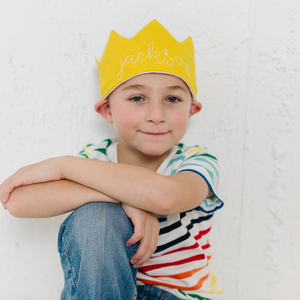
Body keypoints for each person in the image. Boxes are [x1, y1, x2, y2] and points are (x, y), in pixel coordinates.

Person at [0, 20, 224, 300]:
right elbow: (17, 201)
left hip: (173, 295)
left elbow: (165, 196)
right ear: (107, 110)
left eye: (173, 99)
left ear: (192, 110)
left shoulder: (196, 160)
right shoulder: (95, 158)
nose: (156, 114)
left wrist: (62, 166)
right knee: (96, 217)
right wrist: (123, 200)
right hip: (95, 292)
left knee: (96, 208)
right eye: (138, 97)